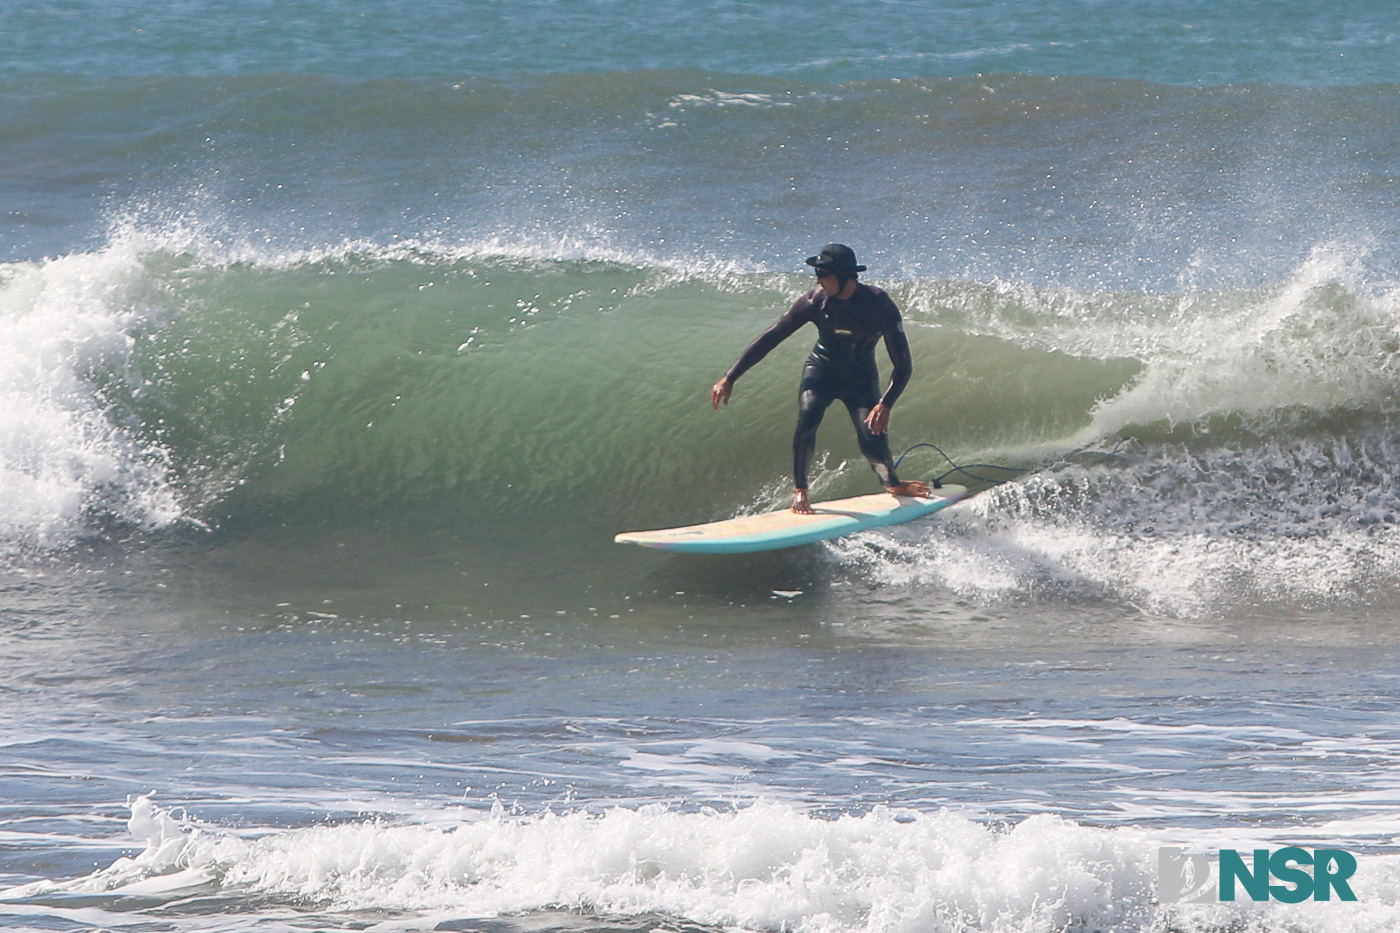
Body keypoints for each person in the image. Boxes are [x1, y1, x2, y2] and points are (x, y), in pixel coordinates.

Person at [711, 244, 933, 514]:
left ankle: (893, 483)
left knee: (872, 441)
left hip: (860, 379)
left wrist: (885, 403)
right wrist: (730, 377)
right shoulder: (815, 301)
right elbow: (772, 336)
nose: (817, 279)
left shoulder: (878, 305)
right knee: (808, 414)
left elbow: (904, 364)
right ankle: (800, 491)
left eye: (822, 273)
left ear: (844, 276)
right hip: (822, 370)